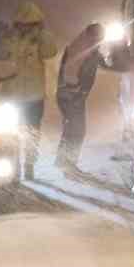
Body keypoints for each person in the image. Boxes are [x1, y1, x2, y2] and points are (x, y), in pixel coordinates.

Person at [0, 1, 58, 179]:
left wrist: (42, 35)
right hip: (10, 95)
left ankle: (29, 165)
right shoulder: (8, 38)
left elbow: (51, 52)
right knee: (10, 133)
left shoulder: (41, 39)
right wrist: (4, 40)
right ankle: (13, 168)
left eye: (31, 24)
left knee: (32, 133)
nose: (26, 28)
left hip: (33, 96)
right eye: (22, 24)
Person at [54, 22, 106, 176]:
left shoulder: (88, 48)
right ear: (92, 35)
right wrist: (76, 91)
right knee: (77, 131)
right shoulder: (81, 48)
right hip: (71, 96)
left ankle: (62, 161)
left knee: (71, 130)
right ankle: (68, 166)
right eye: (99, 37)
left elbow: (106, 64)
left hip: (70, 95)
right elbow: (70, 71)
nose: (101, 40)